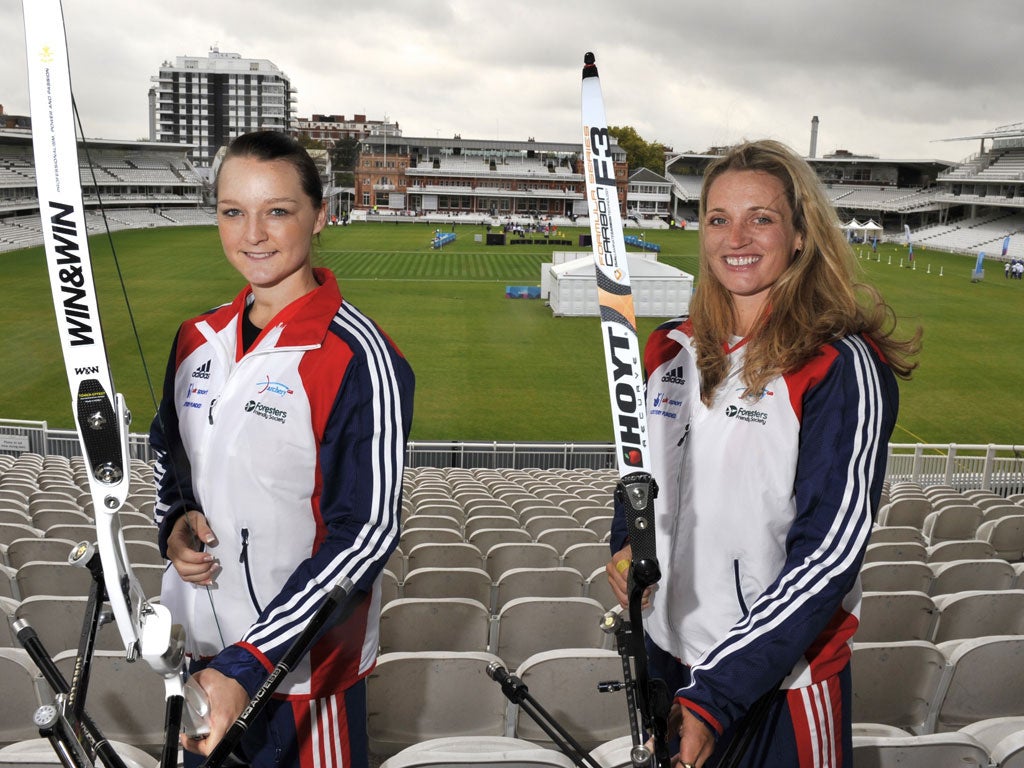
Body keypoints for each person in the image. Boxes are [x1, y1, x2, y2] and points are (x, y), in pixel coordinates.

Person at [607, 139, 919, 767]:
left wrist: (717, 695)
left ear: (801, 234)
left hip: (780, 686)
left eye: (762, 218)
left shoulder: (840, 365)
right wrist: (625, 541)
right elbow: (639, 476)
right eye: (718, 218)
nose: (736, 236)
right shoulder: (669, 348)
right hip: (670, 660)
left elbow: (829, 554)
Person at [150, 130, 414, 768]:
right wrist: (176, 520)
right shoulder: (196, 337)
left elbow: (367, 532)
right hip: (201, 664)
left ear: (320, 215)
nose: (253, 234)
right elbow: (170, 450)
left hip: (301, 681)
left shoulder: (358, 355)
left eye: (277, 211)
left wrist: (251, 663)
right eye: (232, 211)